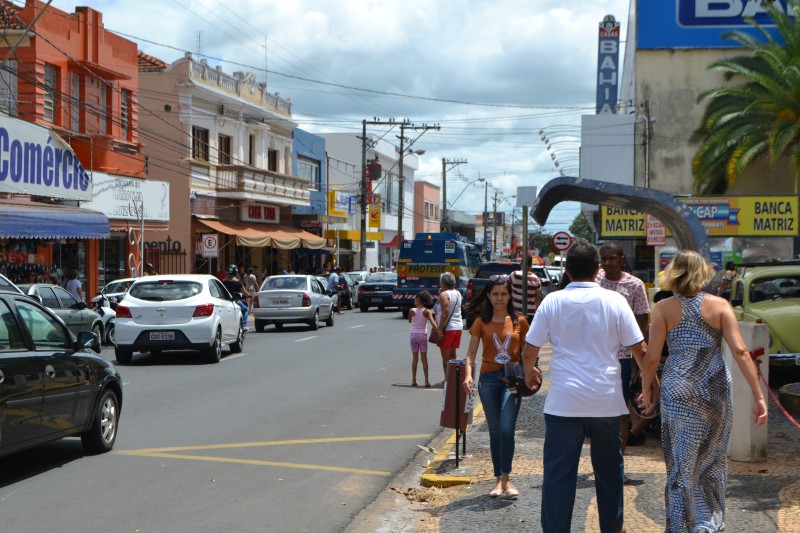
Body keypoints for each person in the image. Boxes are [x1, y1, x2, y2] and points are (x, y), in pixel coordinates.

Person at [522, 239, 646, 533]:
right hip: (606, 402)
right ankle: (612, 528)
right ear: (598, 269)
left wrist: (530, 372)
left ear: (566, 269)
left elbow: (529, 350)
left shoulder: (552, 301)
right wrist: (649, 385)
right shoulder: (615, 301)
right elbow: (640, 349)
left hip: (564, 404)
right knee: (609, 472)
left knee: (558, 476)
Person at [640, 250, 767, 533]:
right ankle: (706, 523)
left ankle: (679, 525)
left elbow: (651, 358)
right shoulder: (720, 306)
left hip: (678, 388)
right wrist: (759, 396)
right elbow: (740, 352)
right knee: (711, 457)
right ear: (703, 273)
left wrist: (647, 388)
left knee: (679, 461)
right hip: (715, 387)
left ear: (673, 272)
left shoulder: (663, 308)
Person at [463, 274, 529, 499]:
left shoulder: (519, 320)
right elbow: (470, 354)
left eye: (504, 293)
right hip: (489, 380)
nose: (500, 298)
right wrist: (468, 376)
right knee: (495, 432)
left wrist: (533, 370)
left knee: (506, 428)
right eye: (495, 294)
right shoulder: (480, 321)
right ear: (489, 296)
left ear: (510, 295)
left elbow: (529, 351)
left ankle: (507, 478)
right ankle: (498, 481)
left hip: (512, 380)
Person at [596, 242, 650, 452]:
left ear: (621, 259)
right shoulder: (594, 280)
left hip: (624, 356)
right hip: (595, 355)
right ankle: (601, 457)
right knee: (597, 410)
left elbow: (642, 323)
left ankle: (618, 459)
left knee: (620, 410)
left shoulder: (635, 285)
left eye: (612, 258)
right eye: (604, 258)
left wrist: (641, 364)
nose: (608, 263)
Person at [432, 272, 463, 387]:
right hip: (458, 327)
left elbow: (445, 313)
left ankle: (447, 380)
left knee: (445, 357)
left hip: (448, 328)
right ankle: (455, 378)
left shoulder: (444, 294)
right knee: (453, 355)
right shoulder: (458, 293)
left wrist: (439, 329)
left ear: (443, 283)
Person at [408, 290, 437, 387]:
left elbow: (409, 321)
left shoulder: (412, 310)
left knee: (415, 358)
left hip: (413, 335)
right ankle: (426, 381)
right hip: (422, 336)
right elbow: (433, 322)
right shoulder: (427, 311)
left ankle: (413, 380)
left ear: (418, 300)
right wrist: (439, 331)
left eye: (415, 299)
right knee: (424, 359)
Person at [509, 256, 542, 322]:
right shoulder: (536, 279)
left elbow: (507, 290)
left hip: (516, 312)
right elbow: (537, 299)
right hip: (531, 313)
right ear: (531, 265)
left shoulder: (514, 275)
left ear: (521, 263)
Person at [222, 264, 251, 330]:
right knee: (245, 310)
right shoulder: (238, 283)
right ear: (236, 273)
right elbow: (245, 292)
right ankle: (244, 326)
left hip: (226, 301)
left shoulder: (224, 282)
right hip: (236, 301)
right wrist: (249, 295)